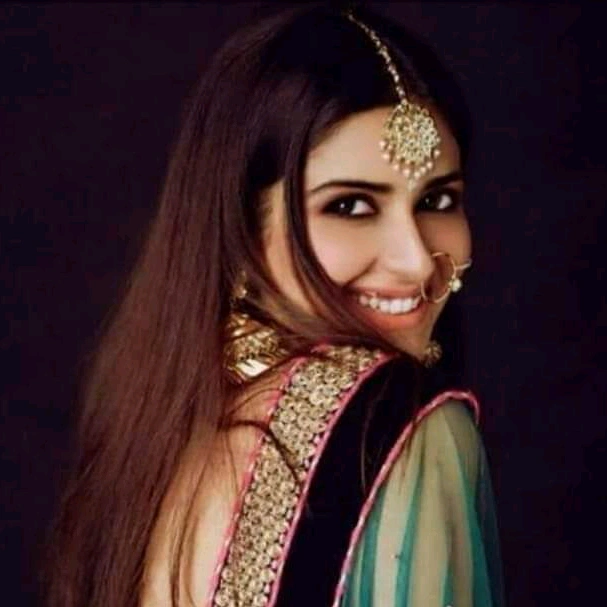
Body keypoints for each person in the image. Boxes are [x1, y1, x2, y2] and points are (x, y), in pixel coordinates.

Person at [46, 5, 505, 607]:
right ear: (241, 223)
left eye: (438, 201)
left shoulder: (153, 423)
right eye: (350, 207)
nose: (417, 261)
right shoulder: (402, 427)